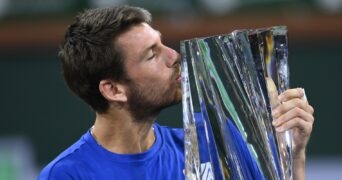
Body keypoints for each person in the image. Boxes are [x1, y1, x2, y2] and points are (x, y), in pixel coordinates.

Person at [38, 5, 314, 180]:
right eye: (151, 55)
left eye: (162, 44)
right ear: (113, 89)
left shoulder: (214, 142)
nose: (174, 56)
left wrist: (292, 155)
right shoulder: (67, 175)